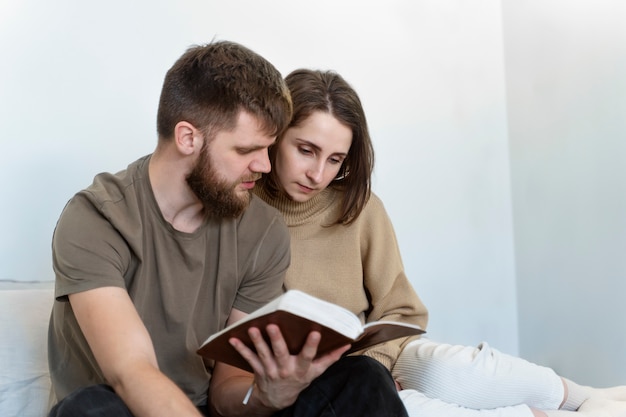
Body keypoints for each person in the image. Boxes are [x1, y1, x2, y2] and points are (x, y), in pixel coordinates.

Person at [47, 41, 409, 417]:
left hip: (207, 409)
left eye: (269, 149)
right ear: (189, 138)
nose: (265, 167)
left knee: (362, 379)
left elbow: (227, 390)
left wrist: (267, 395)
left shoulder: (262, 230)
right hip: (123, 405)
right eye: (247, 150)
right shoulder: (96, 218)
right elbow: (132, 372)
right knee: (91, 409)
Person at [253, 68, 626, 417]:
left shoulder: (360, 208)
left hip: (377, 360)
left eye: (335, 159)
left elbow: (402, 311)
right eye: (306, 150)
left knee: (457, 368)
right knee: (419, 410)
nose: (318, 174)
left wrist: (377, 370)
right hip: (311, 384)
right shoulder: (244, 216)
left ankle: (589, 399)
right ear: (276, 136)